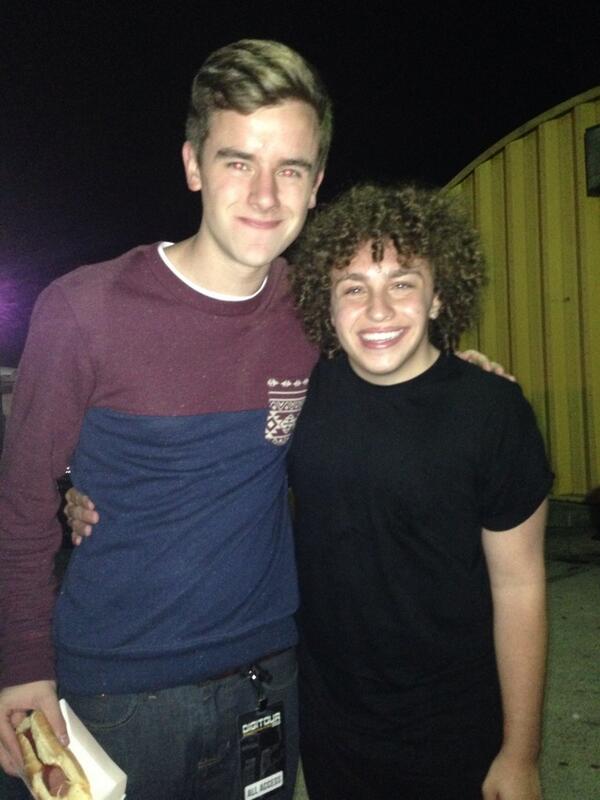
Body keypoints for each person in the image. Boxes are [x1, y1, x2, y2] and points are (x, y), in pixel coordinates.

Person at [0, 38, 331, 800]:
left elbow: (396, 369)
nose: (264, 194)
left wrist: (467, 375)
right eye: (238, 161)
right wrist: (21, 667)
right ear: (193, 166)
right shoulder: (84, 309)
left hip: (268, 685)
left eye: (290, 169)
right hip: (115, 700)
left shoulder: (315, 310)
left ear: (317, 185)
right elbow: (22, 504)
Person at [286, 183, 553, 800]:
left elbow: (520, 589)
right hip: (332, 727)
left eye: (402, 283)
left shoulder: (492, 411)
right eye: (354, 288)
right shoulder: (303, 396)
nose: (378, 310)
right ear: (327, 304)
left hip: (457, 729)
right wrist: (83, 491)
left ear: (438, 297)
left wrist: (521, 753)